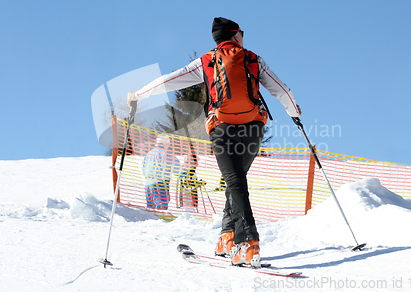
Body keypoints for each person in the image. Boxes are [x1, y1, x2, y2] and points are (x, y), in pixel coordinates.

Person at [127, 17, 301, 268]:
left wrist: (139, 95)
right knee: (236, 181)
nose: (243, 36)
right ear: (235, 34)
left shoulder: (206, 62)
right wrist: (294, 112)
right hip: (253, 127)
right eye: (241, 32)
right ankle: (228, 236)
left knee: (235, 182)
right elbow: (281, 90)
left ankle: (248, 243)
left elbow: (168, 80)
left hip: (222, 128)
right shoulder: (253, 59)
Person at [142, 135, 181, 210]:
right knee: (161, 207)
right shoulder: (167, 154)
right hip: (160, 183)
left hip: (148, 183)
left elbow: (144, 168)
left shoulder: (149, 153)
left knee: (150, 209)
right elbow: (177, 169)